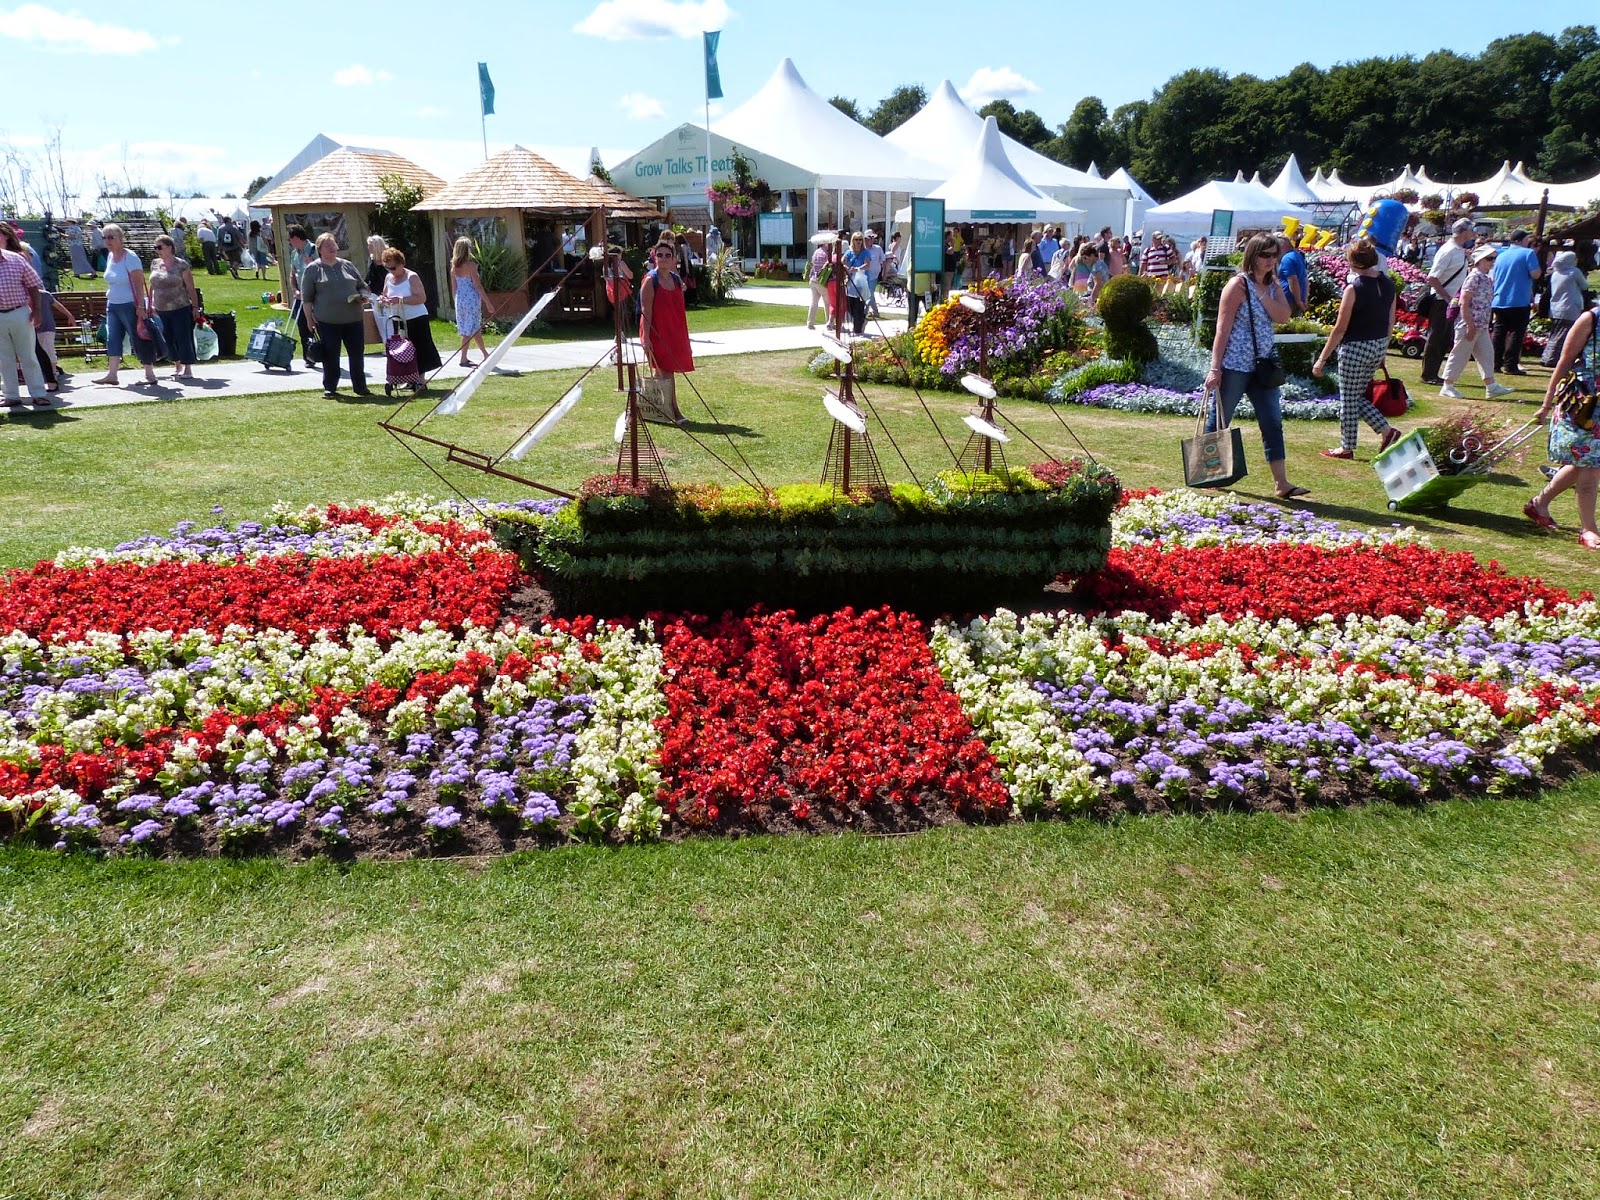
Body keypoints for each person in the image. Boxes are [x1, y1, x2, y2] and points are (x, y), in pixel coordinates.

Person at [1204, 232, 1308, 500]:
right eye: (1265, 255)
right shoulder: (1237, 285)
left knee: (1272, 422)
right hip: (1235, 364)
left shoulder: (1272, 285)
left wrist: (1262, 292)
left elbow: (1283, 316)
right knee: (1220, 419)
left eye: (1275, 255)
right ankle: (1209, 475)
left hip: (1264, 365)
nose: (1271, 260)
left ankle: (1281, 483)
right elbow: (1222, 329)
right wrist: (1215, 368)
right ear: (1253, 255)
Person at [1313, 237, 1401, 459]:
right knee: (1354, 397)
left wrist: (1322, 359)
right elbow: (1390, 321)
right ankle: (1379, 434)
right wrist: (1383, 349)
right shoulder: (1388, 284)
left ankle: (1357, 443)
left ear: (1353, 262)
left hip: (1354, 348)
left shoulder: (1354, 288)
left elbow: (1340, 328)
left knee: (1349, 399)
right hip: (1377, 345)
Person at [1524, 302, 1600, 549]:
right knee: (1591, 467)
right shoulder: (1591, 319)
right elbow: (1564, 361)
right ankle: (1589, 530)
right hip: (1582, 406)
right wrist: (1546, 404)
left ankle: (1539, 504)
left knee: (1580, 464)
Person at [300, 231, 372, 399]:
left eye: (333, 244)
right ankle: (330, 387)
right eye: (327, 246)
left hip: (354, 319)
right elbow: (307, 298)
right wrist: (309, 319)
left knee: (357, 354)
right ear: (319, 250)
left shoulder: (347, 265)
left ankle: (360, 386)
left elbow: (362, 286)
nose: (332, 248)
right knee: (331, 356)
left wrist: (363, 295)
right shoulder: (313, 269)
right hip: (328, 321)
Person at [91, 223, 159, 388]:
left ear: (121, 239)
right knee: (112, 338)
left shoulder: (131, 257)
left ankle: (149, 374)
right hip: (113, 304)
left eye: (111, 237)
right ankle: (112, 374)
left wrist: (140, 307)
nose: (107, 241)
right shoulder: (109, 256)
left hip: (130, 304)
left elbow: (139, 283)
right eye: (105, 237)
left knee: (138, 337)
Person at [1440, 245, 1513, 400]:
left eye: (1494, 258)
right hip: (1469, 324)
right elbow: (1464, 302)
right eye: (1489, 258)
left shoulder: (1485, 278)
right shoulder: (1474, 277)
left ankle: (1491, 386)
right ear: (1479, 260)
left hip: (1481, 325)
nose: (1492, 262)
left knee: (1487, 354)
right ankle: (1447, 385)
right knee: (1460, 354)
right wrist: (1469, 325)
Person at [639, 240, 693, 423]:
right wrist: (646, 338)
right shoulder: (650, 280)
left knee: (660, 372)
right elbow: (646, 312)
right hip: (656, 333)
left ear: (673, 258)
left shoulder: (675, 279)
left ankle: (651, 409)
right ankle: (674, 411)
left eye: (667, 255)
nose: (663, 258)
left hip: (674, 331)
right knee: (666, 372)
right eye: (659, 255)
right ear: (654, 257)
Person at [1420, 218, 1476, 385]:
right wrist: (1447, 297)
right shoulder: (1449, 250)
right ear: (1464, 232)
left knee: (1444, 338)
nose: (1473, 233)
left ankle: (1433, 372)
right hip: (1441, 301)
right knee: (1437, 337)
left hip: (1450, 301)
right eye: (1471, 230)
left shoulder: (1458, 250)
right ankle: (1428, 374)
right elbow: (1432, 277)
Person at [0, 233, 49, 408]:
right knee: (3, 358)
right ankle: (11, 395)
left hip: (20, 312)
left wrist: (37, 310)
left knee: (28, 355)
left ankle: (38, 393)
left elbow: (33, 285)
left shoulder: (16, 259)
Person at [377, 247, 442, 375]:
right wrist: (383, 300)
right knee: (403, 350)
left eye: (393, 268)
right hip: (398, 319)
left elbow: (421, 298)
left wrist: (401, 299)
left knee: (419, 348)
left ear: (401, 263)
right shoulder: (388, 278)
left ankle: (420, 379)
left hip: (416, 318)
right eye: (387, 268)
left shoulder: (412, 277)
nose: (391, 271)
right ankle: (409, 377)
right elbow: (385, 295)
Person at [148, 233, 202, 382]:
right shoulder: (155, 264)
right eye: (155, 247)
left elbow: (190, 287)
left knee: (182, 337)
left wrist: (195, 307)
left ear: (170, 247)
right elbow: (152, 285)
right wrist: (149, 303)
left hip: (180, 306)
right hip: (160, 308)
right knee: (168, 337)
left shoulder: (181, 265)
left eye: (160, 247)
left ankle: (187, 367)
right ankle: (177, 364)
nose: (157, 250)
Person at [1490, 229, 1542, 375]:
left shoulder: (1501, 255)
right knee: (1516, 333)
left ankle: (1494, 363)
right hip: (1518, 299)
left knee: (1499, 333)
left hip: (1499, 299)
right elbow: (1535, 274)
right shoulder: (1528, 253)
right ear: (1522, 240)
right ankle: (1510, 365)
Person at [449, 237, 493, 367]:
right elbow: (478, 286)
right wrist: (488, 302)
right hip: (471, 299)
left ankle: (485, 354)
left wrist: (456, 301)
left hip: (460, 299)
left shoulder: (454, 266)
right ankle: (463, 358)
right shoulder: (471, 266)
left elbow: (454, 287)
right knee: (468, 330)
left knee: (473, 327)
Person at [1543, 251, 1586, 368]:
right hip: (1569, 308)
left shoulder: (1555, 273)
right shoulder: (1574, 272)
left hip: (1555, 308)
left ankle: (1546, 356)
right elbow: (1584, 285)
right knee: (1563, 336)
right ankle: (1552, 359)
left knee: (1554, 334)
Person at [285, 224, 317, 369]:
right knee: (302, 327)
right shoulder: (294, 254)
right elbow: (292, 274)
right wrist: (294, 290)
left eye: (289, 239)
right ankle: (308, 357)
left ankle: (323, 354)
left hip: (315, 296)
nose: (289, 242)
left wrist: (312, 263)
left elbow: (323, 270)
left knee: (318, 326)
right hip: (300, 297)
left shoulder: (314, 250)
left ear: (297, 238)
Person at [843, 232, 871, 335]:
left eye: (860, 239)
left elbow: (867, 264)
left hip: (861, 282)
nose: (858, 241)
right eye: (856, 239)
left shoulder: (866, 252)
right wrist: (846, 267)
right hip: (851, 282)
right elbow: (843, 261)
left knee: (859, 306)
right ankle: (861, 319)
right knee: (849, 305)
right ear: (853, 241)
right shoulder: (849, 252)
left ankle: (857, 329)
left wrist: (858, 269)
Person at [1276, 234, 1307, 316]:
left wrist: (1298, 302)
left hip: (1289, 300)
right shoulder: (1297, 255)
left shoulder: (1286, 259)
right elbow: (1305, 279)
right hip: (1299, 299)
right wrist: (1304, 299)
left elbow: (1293, 281)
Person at [806, 236, 831, 330]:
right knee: (827, 303)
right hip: (822, 280)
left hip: (813, 279)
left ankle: (810, 323)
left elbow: (812, 263)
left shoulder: (816, 252)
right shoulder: (827, 254)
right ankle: (829, 322)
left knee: (814, 302)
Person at [864, 228, 885, 318]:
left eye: (873, 238)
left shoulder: (878, 249)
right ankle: (875, 312)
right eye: (870, 238)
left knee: (870, 294)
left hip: (874, 275)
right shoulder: (862, 249)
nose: (872, 240)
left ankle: (864, 312)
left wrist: (884, 272)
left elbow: (883, 260)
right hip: (863, 275)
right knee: (869, 294)